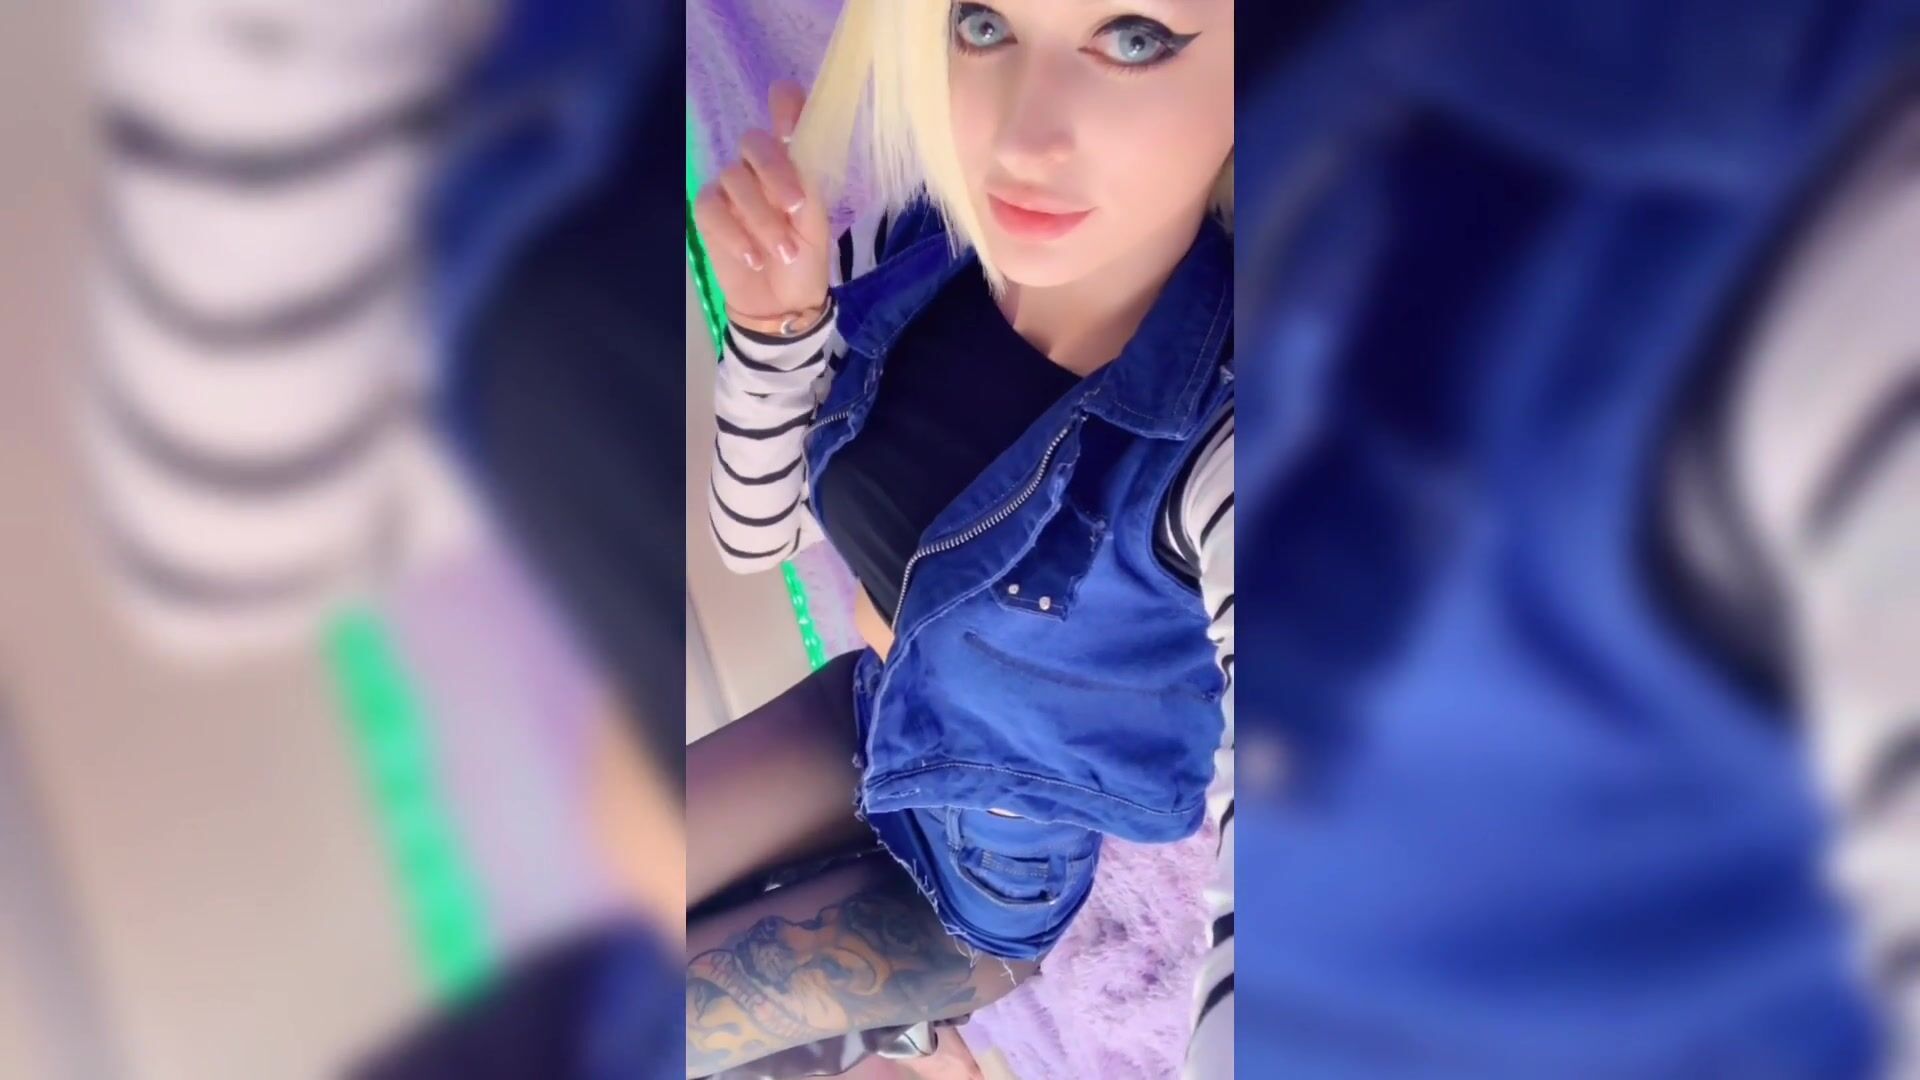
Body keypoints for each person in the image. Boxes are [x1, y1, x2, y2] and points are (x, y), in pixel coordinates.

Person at [686, 1, 1235, 1076]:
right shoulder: (920, 245)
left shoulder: (1226, 445)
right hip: (863, 717)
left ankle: (908, 1033)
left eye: (1134, 39)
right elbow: (754, 537)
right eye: (984, 24)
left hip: (978, 888)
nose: (1022, 141)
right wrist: (776, 329)